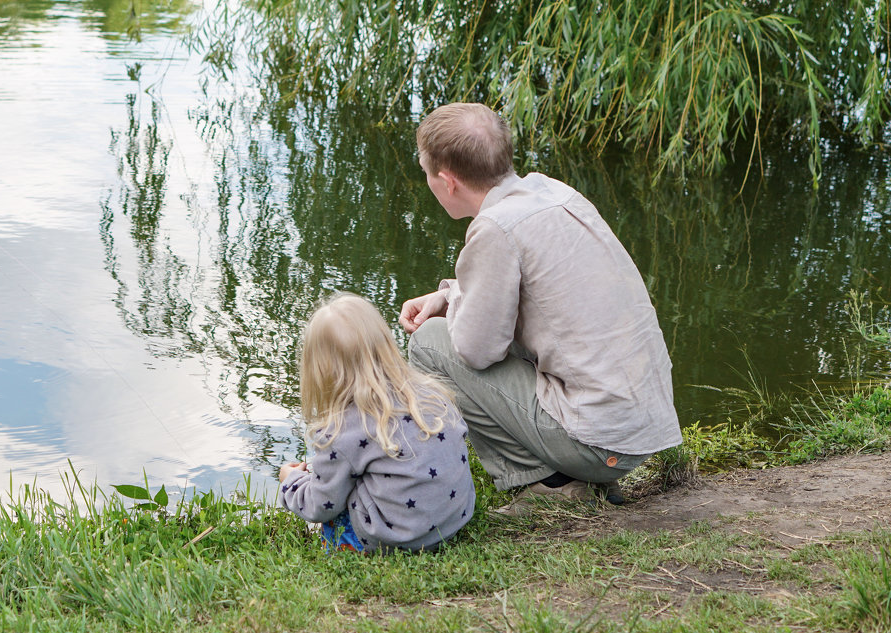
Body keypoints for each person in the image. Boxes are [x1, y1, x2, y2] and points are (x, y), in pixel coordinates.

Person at [398, 103, 681, 515]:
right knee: (472, 331)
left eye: (426, 174)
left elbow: (476, 350)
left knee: (430, 342)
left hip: (600, 446)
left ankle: (547, 482)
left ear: (447, 181)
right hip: (640, 427)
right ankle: (574, 475)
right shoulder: (554, 193)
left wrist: (450, 306)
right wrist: (448, 295)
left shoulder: (493, 228)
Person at [278, 293, 476, 552]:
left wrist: (291, 481)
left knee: (336, 494)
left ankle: (347, 545)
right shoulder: (431, 393)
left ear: (319, 371)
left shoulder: (342, 430)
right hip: (453, 520)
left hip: (397, 538)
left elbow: (318, 504)